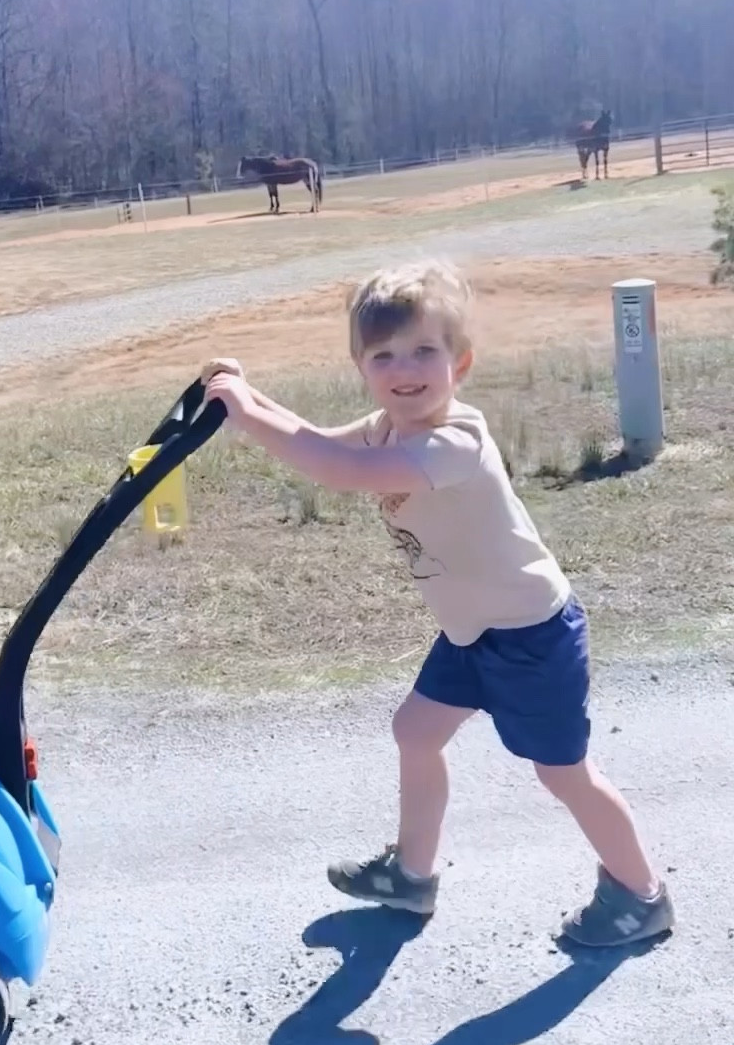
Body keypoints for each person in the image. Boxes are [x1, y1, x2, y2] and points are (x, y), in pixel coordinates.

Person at [204, 260, 674, 947]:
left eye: (425, 350)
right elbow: (326, 445)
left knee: (563, 771)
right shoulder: (388, 427)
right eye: (383, 355)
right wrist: (248, 399)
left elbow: (339, 474)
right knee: (416, 732)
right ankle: (412, 877)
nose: (405, 368)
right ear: (361, 367)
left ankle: (642, 895)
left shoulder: (454, 441)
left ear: (461, 362)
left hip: (530, 634)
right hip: (471, 633)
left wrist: (247, 412)